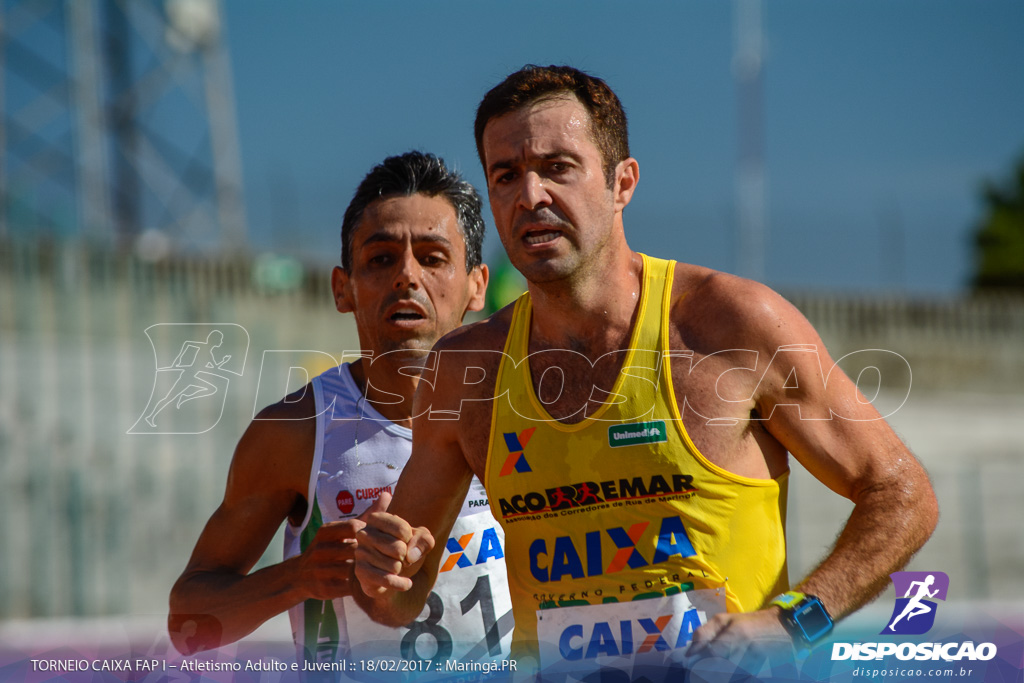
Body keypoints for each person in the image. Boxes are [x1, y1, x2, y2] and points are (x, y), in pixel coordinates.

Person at [352, 66, 939, 669]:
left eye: (558, 167)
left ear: (621, 182)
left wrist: (795, 620)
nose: (530, 196)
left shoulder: (731, 324)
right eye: (506, 176)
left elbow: (903, 494)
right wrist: (382, 572)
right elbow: (399, 599)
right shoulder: (464, 369)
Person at [168, 151, 512, 668]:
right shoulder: (297, 432)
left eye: (433, 257)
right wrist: (300, 576)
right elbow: (187, 626)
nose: (407, 277)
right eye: (381, 259)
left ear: (477, 285)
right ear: (342, 289)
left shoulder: (521, 416)